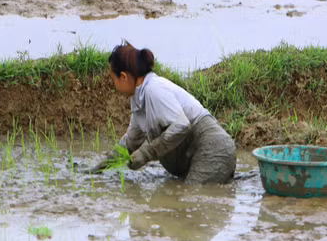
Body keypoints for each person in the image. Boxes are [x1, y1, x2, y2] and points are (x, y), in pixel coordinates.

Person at [87, 42, 236, 184]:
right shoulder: (138, 99)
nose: (114, 85)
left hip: (213, 148)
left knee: (190, 197)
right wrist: (99, 168)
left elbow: (182, 126)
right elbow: (130, 141)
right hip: (195, 157)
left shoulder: (154, 89)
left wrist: (146, 153)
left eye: (114, 79)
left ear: (124, 77)